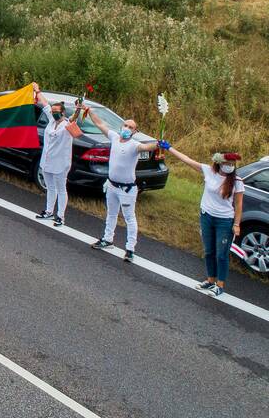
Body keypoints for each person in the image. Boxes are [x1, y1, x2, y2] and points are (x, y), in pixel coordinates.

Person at [160, 144, 244, 296]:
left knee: (221, 254)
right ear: (219, 163)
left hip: (225, 221)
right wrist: (169, 148)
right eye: (227, 164)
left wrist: (236, 224)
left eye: (232, 164)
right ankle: (210, 280)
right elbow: (187, 160)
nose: (230, 167)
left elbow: (238, 204)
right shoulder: (208, 171)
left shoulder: (237, 180)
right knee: (209, 251)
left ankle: (220, 285)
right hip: (206, 217)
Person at [86, 108, 159, 262]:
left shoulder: (134, 145)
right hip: (112, 186)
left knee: (129, 218)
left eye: (130, 127)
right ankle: (107, 239)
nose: (126, 128)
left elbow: (147, 147)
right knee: (111, 214)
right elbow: (100, 123)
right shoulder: (113, 137)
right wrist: (89, 111)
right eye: (125, 125)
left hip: (127, 189)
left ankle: (130, 248)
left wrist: (158, 144)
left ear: (135, 131)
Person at [32, 84, 74, 227]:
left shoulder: (67, 125)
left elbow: (74, 118)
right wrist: (37, 91)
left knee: (61, 189)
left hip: (61, 163)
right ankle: (49, 211)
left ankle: (60, 216)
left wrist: (79, 109)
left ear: (63, 113)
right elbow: (44, 103)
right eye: (53, 111)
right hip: (47, 160)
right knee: (50, 187)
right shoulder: (51, 120)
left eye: (57, 111)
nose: (54, 113)